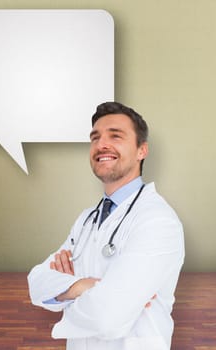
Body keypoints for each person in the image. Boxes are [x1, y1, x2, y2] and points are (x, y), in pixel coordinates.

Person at [27, 102, 185, 350]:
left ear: (142, 150)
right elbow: (36, 281)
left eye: (116, 136)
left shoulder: (157, 221)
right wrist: (83, 286)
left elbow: (107, 315)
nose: (101, 145)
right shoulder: (87, 219)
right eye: (95, 137)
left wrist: (67, 294)